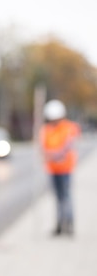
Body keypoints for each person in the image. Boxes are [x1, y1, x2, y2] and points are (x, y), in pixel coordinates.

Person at [39, 98, 81, 236]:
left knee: (66, 197)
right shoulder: (46, 130)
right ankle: (59, 225)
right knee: (57, 198)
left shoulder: (69, 128)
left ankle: (69, 224)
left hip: (65, 169)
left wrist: (53, 154)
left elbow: (66, 147)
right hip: (52, 169)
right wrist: (47, 154)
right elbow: (43, 148)